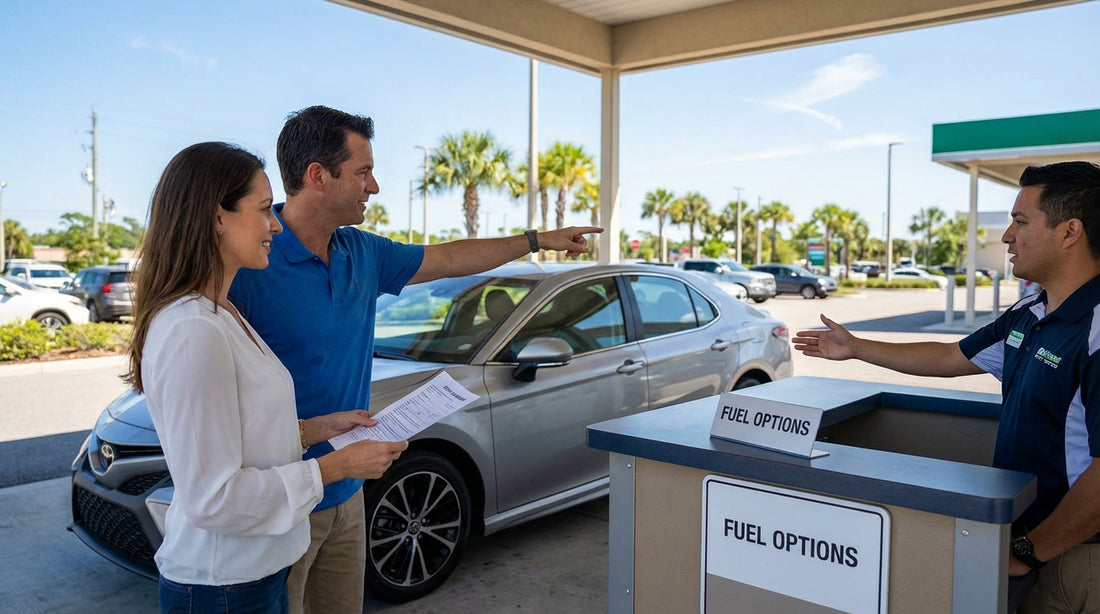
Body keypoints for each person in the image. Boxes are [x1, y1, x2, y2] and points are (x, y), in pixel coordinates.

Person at [229, 105, 603, 614]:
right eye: (362, 172)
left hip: (347, 495)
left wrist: (536, 241)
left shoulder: (362, 251)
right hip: (283, 500)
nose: (374, 186)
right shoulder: (251, 260)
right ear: (318, 176)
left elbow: (449, 258)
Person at [792, 161, 1100, 613]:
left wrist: (1031, 551)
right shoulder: (1032, 311)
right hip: (1027, 538)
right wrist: (856, 347)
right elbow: (949, 357)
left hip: (1074, 555)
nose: (1006, 237)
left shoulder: (1094, 329)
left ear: (1069, 232)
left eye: (1020, 222)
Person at [125, 142, 409, 614]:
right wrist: (338, 466)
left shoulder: (221, 313)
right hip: (225, 589)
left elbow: (239, 439)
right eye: (262, 210)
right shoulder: (194, 329)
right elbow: (215, 499)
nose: (276, 224)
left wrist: (314, 430)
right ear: (218, 218)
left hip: (256, 575)